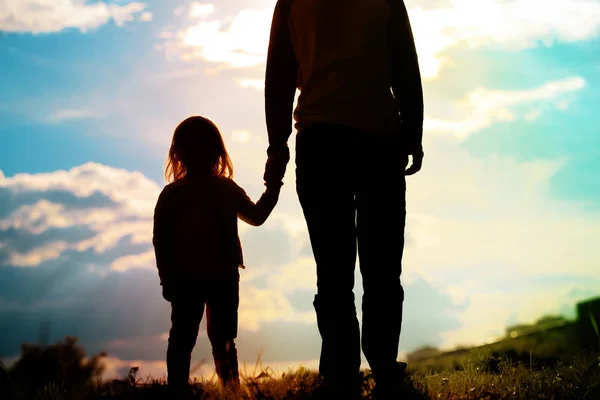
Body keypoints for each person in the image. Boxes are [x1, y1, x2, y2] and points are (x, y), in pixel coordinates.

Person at [263, 0, 424, 398]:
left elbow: (279, 76)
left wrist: (277, 147)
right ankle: (385, 367)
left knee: (332, 269)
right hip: (379, 137)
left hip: (320, 140)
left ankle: (340, 376)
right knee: (383, 265)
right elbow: (405, 64)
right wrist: (414, 131)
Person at [152, 116, 283, 396]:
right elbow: (257, 216)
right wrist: (273, 186)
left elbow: (161, 242)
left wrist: (167, 279)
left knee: (184, 339)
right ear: (218, 151)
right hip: (219, 276)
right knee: (219, 341)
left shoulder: (173, 194)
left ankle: (183, 391)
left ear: (178, 152)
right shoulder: (223, 189)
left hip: (190, 278)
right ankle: (231, 393)